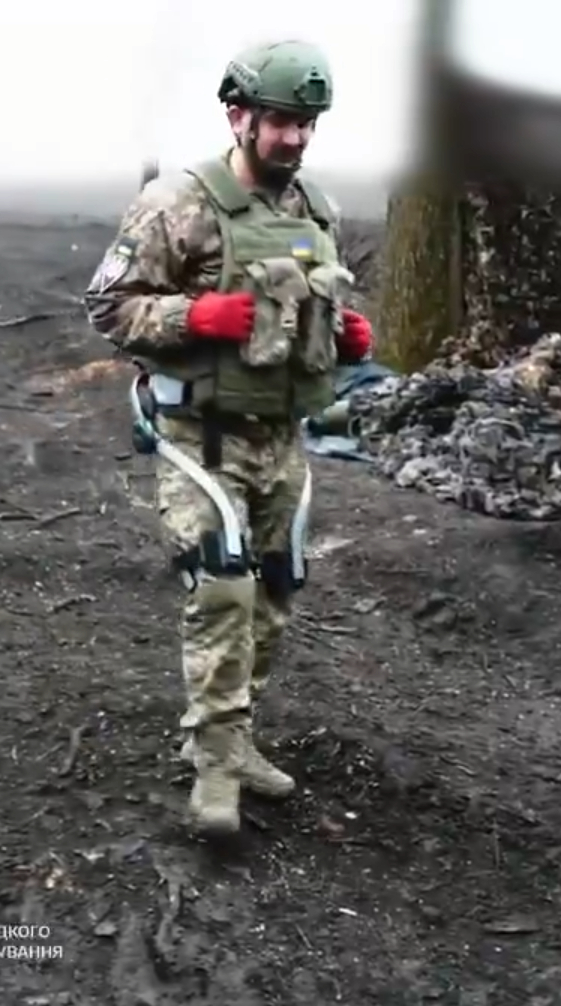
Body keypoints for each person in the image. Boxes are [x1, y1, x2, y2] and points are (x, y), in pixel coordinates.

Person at [82, 41, 373, 837]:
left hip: (281, 437)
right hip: (198, 433)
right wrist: (193, 316)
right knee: (220, 590)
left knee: (273, 593)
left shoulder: (314, 210)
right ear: (237, 115)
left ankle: (233, 736)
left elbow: (311, 308)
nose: (294, 138)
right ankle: (212, 767)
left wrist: (345, 337)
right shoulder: (176, 203)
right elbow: (108, 307)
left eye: (306, 123)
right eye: (280, 121)